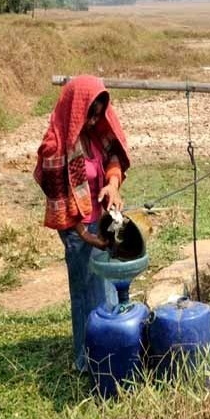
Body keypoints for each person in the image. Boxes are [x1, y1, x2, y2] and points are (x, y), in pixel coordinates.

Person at [33, 76, 131, 372]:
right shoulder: (55, 146)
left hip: (102, 221)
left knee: (112, 285)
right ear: (77, 108)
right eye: (90, 113)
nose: (94, 120)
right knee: (88, 292)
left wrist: (113, 186)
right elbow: (58, 197)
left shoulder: (96, 133)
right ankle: (89, 359)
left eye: (99, 113)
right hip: (79, 231)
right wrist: (86, 237)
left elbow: (114, 155)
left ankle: (115, 349)